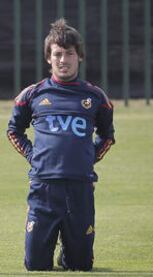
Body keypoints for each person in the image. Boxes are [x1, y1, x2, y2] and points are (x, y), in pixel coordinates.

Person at [6, 18, 115, 271]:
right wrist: (34, 156)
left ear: (80, 57)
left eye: (69, 54)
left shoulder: (95, 96)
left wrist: (89, 158)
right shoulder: (32, 94)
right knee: (35, 266)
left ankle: (68, 254)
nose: (63, 60)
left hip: (80, 186)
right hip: (43, 186)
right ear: (48, 58)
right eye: (57, 54)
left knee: (80, 266)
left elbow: (107, 135)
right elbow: (14, 130)